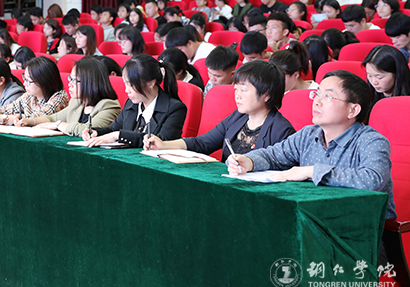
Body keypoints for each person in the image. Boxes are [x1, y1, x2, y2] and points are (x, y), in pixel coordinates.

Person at [226, 70, 396, 221]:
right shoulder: (308, 134)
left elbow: (372, 180)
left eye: (327, 96)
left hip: (361, 229)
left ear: (353, 110)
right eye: (317, 94)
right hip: (313, 220)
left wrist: (312, 171)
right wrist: (248, 161)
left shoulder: (371, 141)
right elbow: (273, 155)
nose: (316, 101)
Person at [144, 60, 295, 162]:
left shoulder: (282, 131)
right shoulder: (238, 117)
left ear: (267, 94)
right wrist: (164, 145)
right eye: (235, 89)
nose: (237, 95)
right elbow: (202, 143)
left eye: (243, 90)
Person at [83, 54, 186, 148]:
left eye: (131, 85)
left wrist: (118, 135)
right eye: (125, 84)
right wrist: (96, 132)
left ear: (151, 83)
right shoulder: (131, 103)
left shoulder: (175, 109)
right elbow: (113, 129)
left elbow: (161, 141)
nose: (126, 90)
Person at [15, 57, 121, 136]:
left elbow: (87, 129)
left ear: (90, 83)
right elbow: (52, 118)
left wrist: (58, 125)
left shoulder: (109, 106)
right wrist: (29, 121)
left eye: (74, 80)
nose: (69, 84)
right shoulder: (77, 102)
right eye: (70, 79)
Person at [0, 56, 69, 125]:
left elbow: (35, 119)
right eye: (25, 78)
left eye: (29, 81)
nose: (24, 84)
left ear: (44, 81)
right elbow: (5, 110)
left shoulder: (59, 97)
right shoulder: (29, 96)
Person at [362, 45, 410, 109]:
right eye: (369, 75)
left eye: (379, 77)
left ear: (397, 74)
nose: (374, 82)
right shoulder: (366, 95)